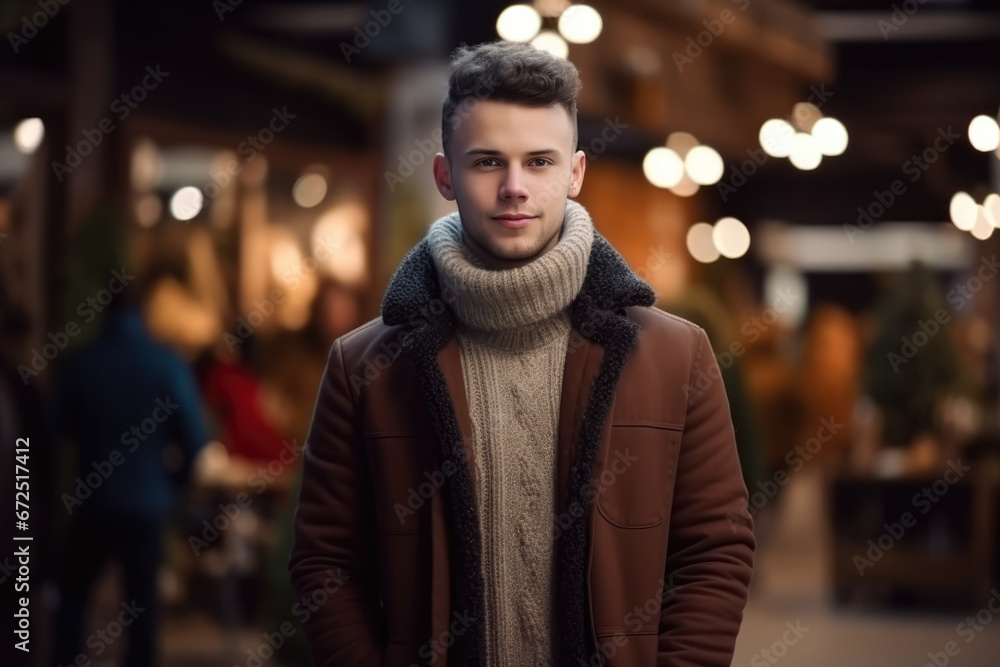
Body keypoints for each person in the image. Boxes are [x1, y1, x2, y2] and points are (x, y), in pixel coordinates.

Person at [289, 40, 755, 667]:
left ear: (576, 173)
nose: (514, 188)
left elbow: (715, 554)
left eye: (539, 161)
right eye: (487, 162)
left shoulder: (675, 357)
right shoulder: (364, 366)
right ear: (444, 175)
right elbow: (324, 564)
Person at [49, 284, 209, 667]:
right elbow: (196, 439)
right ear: (143, 315)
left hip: (94, 502)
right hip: (147, 505)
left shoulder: (81, 363)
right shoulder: (166, 364)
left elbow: (50, 436)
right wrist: (173, 486)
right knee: (141, 613)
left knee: (72, 602)